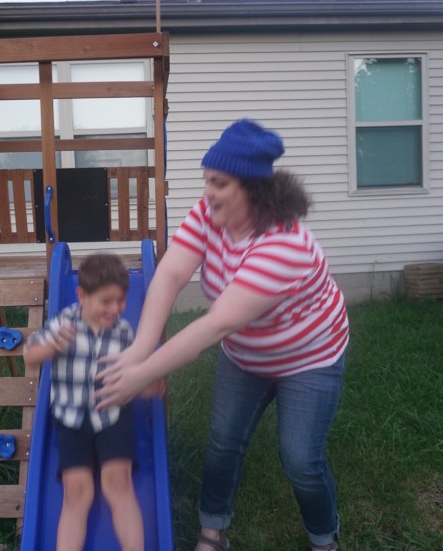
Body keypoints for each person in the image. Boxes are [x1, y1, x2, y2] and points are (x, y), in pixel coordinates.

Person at [95, 119, 350, 551]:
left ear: (253, 188)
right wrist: (140, 347)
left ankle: (324, 539)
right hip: (246, 354)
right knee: (224, 441)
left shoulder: (284, 246)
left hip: (309, 357)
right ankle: (212, 532)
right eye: (207, 180)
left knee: (301, 460)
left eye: (219, 183)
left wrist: (142, 374)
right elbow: (170, 274)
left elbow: (216, 324)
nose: (208, 191)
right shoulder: (210, 214)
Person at [23, 253, 144, 551]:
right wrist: (51, 346)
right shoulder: (63, 322)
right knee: (76, 491)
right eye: (106, 301)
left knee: (119, 483)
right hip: (72, 419)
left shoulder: (124, 333)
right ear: (82, 296)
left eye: (121, 300)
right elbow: (30, 356)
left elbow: (141, 374)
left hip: (113, 416)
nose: (115, 308)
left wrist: (147, 383)